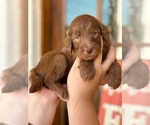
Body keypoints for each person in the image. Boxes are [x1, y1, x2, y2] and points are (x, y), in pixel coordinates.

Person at [28, 37, 116, 125]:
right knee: (60, 62)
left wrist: (42, 100)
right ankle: (51, 82)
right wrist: (81, 98)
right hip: (52, 68)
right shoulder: (70, 54)